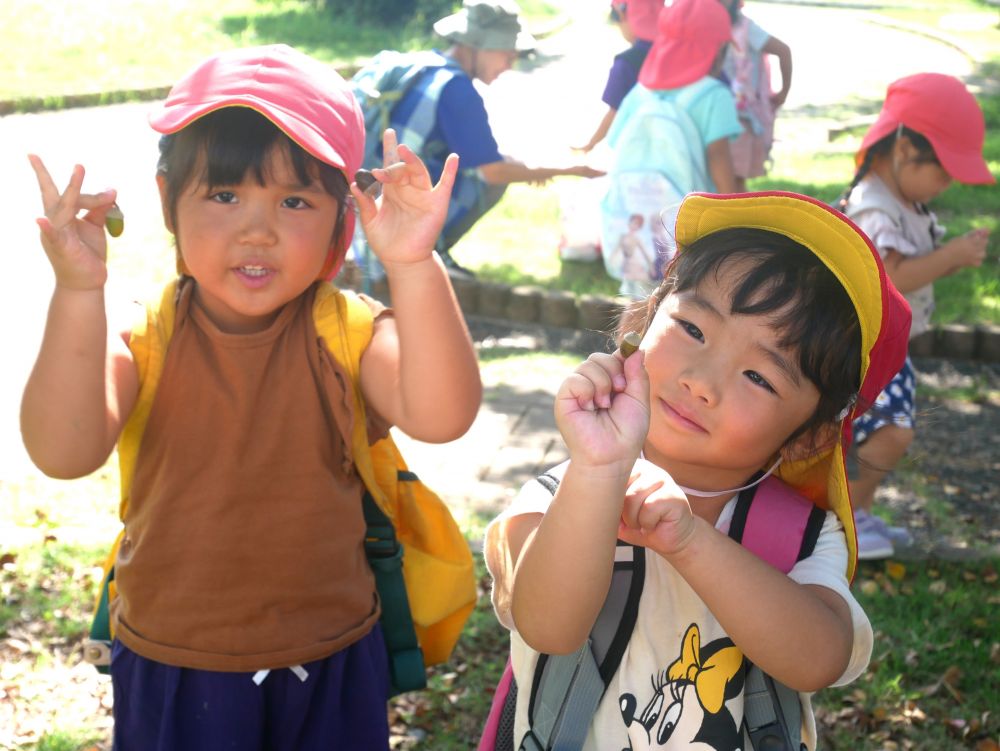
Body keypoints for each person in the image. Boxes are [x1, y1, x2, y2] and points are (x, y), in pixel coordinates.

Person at [21, 44, 482, 749]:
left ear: (341, 220)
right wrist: (79, 292)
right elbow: (61, 450)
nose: (258, 228)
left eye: (295, 200)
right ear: (168, 199)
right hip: (173, 661)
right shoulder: (146, 337)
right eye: (225, 194)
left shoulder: (348, 331)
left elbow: (444, 415)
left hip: (330, 660)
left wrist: (414, 263)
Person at [484, 190, 911, 749]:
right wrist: (596, 473)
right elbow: (548, 627)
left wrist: (689, 541)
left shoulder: (797, 536)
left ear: (810, 435)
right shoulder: (559, 493)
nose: (701, 381)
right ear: (645, 316)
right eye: (693, 329)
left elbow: (819, 660)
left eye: (760, 377)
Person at [838, 72, 993, 560]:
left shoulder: (904, 198)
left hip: (888, 346)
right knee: (889, 433)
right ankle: (847, 526)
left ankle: (853, 516)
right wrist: (951, 256)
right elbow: (891, 276)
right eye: (943, 171)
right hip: (864, 348)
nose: (946, 184)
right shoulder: (874, 208)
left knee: (885, 434)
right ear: (904, 150)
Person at [354, 0, 604, 277]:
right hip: (395, 205)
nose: (509, 65)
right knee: (495, 180)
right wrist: (573, 170)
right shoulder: (457, 90)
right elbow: (492, 172)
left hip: (369, 188)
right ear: (479, 45)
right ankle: (430, 249)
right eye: (507, 55)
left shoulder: (424, 64)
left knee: (506, 165)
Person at [721, 0, 792, 192]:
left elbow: (784, 51)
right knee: (723, 181)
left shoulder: (745, 27)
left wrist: (783, 93)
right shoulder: (708, 25)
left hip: (742, 117)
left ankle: (737, 221)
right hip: (718, 113)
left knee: (733, 182)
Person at [575, 0, 663, 153]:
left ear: (624, 15)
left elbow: (615, 111)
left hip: (640, 150)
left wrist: (591, 144)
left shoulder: (626, 63)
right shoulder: (684, 53)